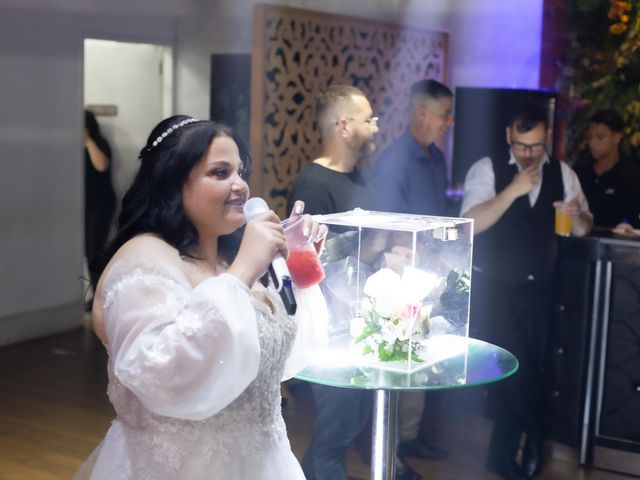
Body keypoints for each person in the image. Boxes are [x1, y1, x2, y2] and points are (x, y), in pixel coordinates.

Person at [74, 115, 328, 480]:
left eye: (240, 171)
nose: (240, 185)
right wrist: (241, 275)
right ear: (173, 182)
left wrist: (298, 271)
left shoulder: (229, 260)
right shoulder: (143, 261)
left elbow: (287, 360)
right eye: (220, 173)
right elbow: (165, 379)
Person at [288, 85, 419, 480]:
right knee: (336, 437)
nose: (377, 127)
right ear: (343, 126)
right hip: (331, 331)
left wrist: (390, 257)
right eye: (368, 120)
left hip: (363, 325)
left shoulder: (362, 176)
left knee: (346, 430)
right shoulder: (312, 185)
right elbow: (306, 265)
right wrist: (369, 250)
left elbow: (368, 246)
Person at [461, 104, 592, 480]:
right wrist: (513, 191)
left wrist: (579, 216)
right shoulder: (487, 169)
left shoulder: (563, 174)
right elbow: (470, 222)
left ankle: (502, 454)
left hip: (543, 292)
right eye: (521, 145)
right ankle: (532, 442)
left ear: (546, 138)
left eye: (535, 146)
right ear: (508, 137)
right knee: (512, 370)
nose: (528, 154)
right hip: (498, 290)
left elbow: (584, 225)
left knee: (533, 369)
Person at [373, 78, 452, 465]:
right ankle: (389, 452)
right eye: (445, 114)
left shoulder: (437, 158)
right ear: (423, 112)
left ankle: (409, 437)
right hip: (399, 275)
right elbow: (388, 225)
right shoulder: (394, 161)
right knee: (396, 361)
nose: (447, 123)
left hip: (428, 273)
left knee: (420, 357)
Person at [573, 108, 640, 231]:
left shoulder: (631, 176)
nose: (593, 143)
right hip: (582, 242)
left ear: (617, 137)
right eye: (590, 137)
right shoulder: (580, 170)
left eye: (600, 137)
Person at [84, 109, 116, 294]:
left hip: (100, 205)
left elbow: (101, 165)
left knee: (94, 251)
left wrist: (88, 141)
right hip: (81, 206)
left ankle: (99, 294)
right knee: (86, 252)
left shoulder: (99, 143)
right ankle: (94, 292)